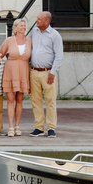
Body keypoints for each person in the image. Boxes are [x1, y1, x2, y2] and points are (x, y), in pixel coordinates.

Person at [28, 10, 64, 138]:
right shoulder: (34, 32)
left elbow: (59, 55)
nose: (37, 20)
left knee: (50, 101)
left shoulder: (55, 35)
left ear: (47, 21)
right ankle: (39, 127)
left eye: (39, 19)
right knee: (35, 101)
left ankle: (51, 128)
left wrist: (53, 73)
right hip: (34, 72)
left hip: (48, 72)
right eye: (37, 18)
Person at [0, 19, 32, 136]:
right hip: (10, 72)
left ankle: (17, 126)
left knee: (19, 100)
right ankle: (11, 127)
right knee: (11, 99)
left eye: (24, 25)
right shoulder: (9, 40)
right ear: (16, 28)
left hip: (23, 72)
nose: (23, 27)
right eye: (21, 25)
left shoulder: (30, 41)